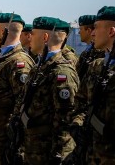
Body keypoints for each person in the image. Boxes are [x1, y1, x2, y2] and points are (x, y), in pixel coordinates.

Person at [74, 6, 115, 163]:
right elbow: (79, 104)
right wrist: (78, 125)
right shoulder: (96, 66)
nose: (93, 33)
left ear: (111, 31)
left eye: (96, 27)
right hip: (91, 155)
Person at [13, 16, 80, 164]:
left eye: (34, 34)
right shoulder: (39, 67)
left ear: (45, 37)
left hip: (47, 151)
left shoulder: (61, 72)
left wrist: (59, 155)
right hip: (33, 147)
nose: (30, 39)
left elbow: (65, 119)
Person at [0, 13, 32, 165]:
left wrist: (13, 131)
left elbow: (22, 100)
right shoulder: (0, 58)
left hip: (5, 131)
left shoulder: (19, 61)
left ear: (3, 32)